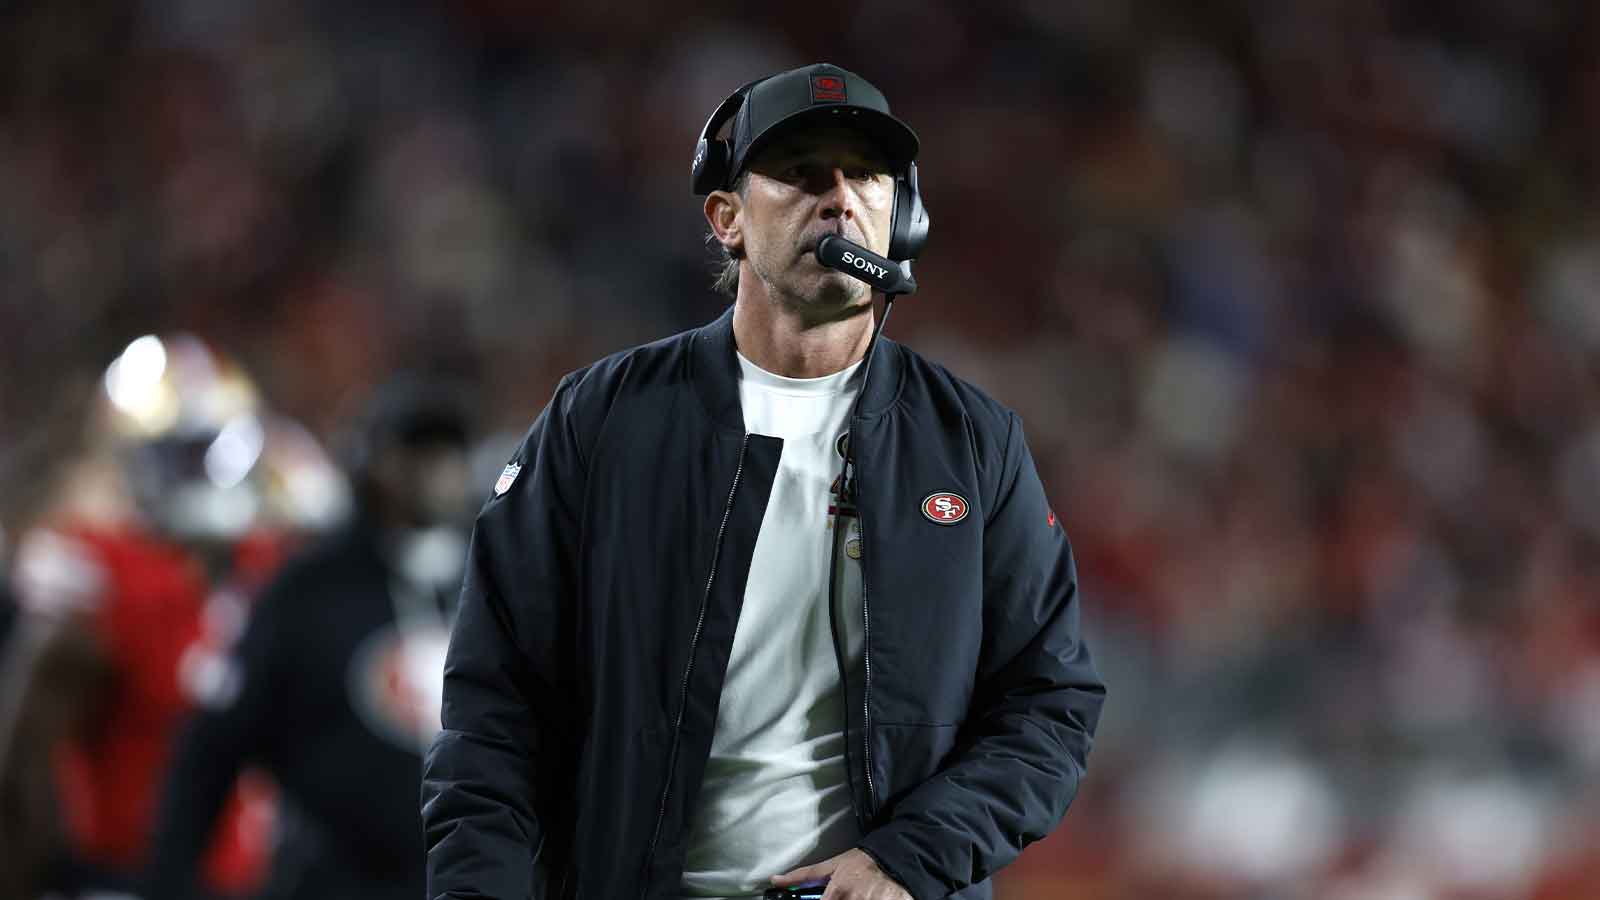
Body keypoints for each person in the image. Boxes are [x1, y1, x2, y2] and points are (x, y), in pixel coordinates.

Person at [421, 62, 1106, 900]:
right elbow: (496, 705)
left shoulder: (971, 443)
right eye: (801, 173)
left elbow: (1050, 705)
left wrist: (906, 859)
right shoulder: (602, 420)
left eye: (867, 175)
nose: (840, 196)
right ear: (728, 220)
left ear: (905, 216)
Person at [143, 377, 475, 900]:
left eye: (446, 453)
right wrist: (170, 880)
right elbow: (213, 748)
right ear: (376, 462)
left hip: (463, 880)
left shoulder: (487, 583)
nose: (434, 470)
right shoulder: (305, 590)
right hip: (336, 879)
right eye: (415, 452)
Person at [0, 334, 305, 900]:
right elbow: (21, 764)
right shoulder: (96, 570)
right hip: (122, 879)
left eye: (209, 447)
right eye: (178, 450)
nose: (199, 470)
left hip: (248, 881)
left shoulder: (267, 563)